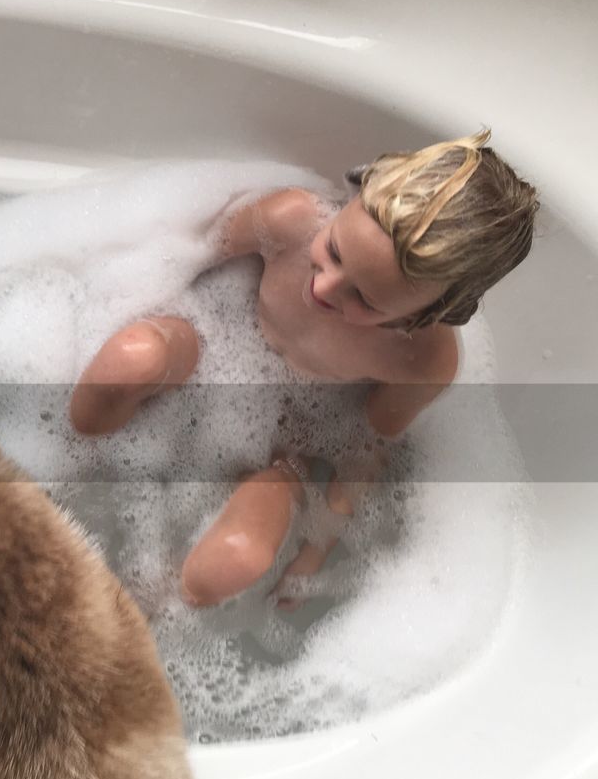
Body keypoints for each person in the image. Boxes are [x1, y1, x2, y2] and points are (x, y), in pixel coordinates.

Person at [69, 130, 538, 607]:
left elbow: (365, 448)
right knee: (131, 359)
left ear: (423, 317)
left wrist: (316, 550)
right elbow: (186, 260)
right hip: (209, 337)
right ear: (354, 194)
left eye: (364, 299)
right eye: (334, 250)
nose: (325, 289)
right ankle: (65, 469)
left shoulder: (423, 360)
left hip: (292, 440)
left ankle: (146, 609)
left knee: (239, 557)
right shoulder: (290, 219)